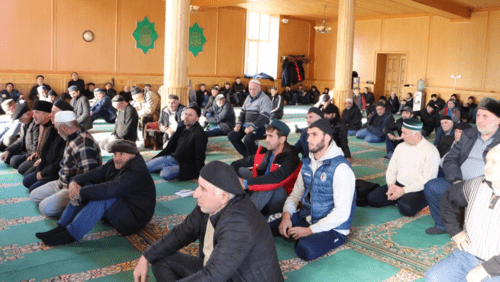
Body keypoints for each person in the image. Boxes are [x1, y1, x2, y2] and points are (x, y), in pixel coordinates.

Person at [133, 161, 284, 282]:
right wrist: (145, 257)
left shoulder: (239, 224)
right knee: (161, 261)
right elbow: (181, 233)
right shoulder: (209, 205)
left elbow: (213, 276)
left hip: (237, 277)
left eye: (203, 189)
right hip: (216, 268)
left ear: (223, 197)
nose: (195, 194)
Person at [35, 140, 156, 246]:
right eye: (114, 154)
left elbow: (110, 190)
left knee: (103, 197)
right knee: (88, 185)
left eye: (122, 154)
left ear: (133, 155)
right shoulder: (116, 163)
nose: (117, 158)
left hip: (135, 217)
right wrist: (74, 183)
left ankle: (71, 234)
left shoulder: (136, 171)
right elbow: (93, 174)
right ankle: (62, 227)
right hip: (122, 205)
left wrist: (80, 192)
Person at [269, 118, 356, 260]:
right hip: (308, 216)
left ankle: (306, 236)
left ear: (327, 138)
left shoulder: (341, 168)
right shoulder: (308, 162)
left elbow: (342, 213)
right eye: (308, 134)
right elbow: (295, 195)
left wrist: (309, 231)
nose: (309, 139)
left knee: (305, 250)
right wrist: (286, 216)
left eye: (314, 135)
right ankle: (297, 232)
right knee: (267, 225)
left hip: (334, 228)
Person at [424, 98, 500, 235]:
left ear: (498, 120)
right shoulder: (469, 134)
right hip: (459, 183)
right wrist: (456, 181)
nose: (480, 120)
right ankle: (442, 224)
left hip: (487, 188)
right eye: (478, 115)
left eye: (485, 116)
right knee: (432, 186)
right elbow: (450, 159)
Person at [425, 144, 500, 282]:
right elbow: (448, 198)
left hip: (497, 266)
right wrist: (455, 231)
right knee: (434, 278)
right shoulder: (477, 184)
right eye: (487, 161)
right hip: (467, 255)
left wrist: (488, 268)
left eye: (494, 162)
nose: (486, 167)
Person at [29, 111, 101, 217]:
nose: (58, 132)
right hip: (63, 181)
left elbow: (88, 177)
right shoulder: (72, 136)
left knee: (45, 208)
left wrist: (68, 188)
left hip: (74, 187)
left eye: (58, 129)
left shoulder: (84, 145)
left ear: (64, 128)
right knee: (34, 196)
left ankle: (81, 209)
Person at [367, 119, 440, 216]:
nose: (401, 136)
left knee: (407, 209)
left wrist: (404, 191)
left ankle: (405, 199)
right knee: (372, 199)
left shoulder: (431, 151)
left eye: (405, 133)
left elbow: (428, 181)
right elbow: (391, 169)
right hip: (398, 184)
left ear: (416, 134)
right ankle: (397, 197)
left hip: (418, 189)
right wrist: (391, 185)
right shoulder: (400, 146)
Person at [231, 120, 301, 214]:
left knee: (270, 185)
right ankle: (234, 206)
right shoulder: (265, 153)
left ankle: (245, 215)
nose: (266, 139)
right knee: (241, 171)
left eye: (271, 136)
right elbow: (236, 164)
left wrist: (245, 183)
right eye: (266, 135)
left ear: (282, 139)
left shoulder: (291, 157)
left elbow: (276, 179)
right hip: (264, 195)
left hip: (285, 201)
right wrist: (236, 178)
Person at [146, 106, 207, 181]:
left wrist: (200, 173)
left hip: (185, 164)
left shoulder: (200, 134)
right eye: (186, 114)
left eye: (190, 115)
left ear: (197, 118)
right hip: (171, 158)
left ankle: (165, 167)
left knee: (165, 174)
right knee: (146, 166)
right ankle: (164, 165)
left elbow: (199, 156)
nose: (186, 117)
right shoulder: (181, 126)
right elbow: (172, 144)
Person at [22, 100, 71, 191]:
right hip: (47, 167)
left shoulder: (67, 134)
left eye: (53, 112)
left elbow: (60, 162)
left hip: (56, 173)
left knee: (32, 189)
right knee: (26, 180)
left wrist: (43, 173)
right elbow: (44, 152)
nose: (50, 115)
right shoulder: (53, 129)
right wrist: (40, 170)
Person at [228, 79, 272, 158]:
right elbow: (242, 113)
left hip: (260, 126)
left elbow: (264, 117)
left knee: (248, 139)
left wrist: (252, 127)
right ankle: (248, 157)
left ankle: (251, 158)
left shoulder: (265, 99)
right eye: (250, 89)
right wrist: (239, 124)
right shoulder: (248, 98)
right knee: (232, 136)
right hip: (246, 125)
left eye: (254, 89)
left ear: (259, 88)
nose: (251, 91)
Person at [0, 104, 38, 168]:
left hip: (31, 153)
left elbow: (36, 145)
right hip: (24, 150)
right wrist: (8, 150)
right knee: (7, 156)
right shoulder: (24, 124)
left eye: (20, 118)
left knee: (14, 161)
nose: (20, 121)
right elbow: (20, 140)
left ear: (28, 114)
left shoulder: (36, 124)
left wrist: (29, 155)